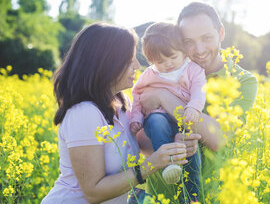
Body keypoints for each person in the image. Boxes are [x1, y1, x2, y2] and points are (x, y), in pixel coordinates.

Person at [41, 23, 192, 204]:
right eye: (129, 60)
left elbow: (138, 144)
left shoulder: (123, 104)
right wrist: (150, 165)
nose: (137, 65)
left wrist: (172, 145)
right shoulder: (84, 113)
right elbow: (93, 192)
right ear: (106, 63)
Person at [136, 2, 258, 201]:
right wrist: (171, 144)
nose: (199, 49)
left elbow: (218, 137)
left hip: (209, 195)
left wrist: (163, 97)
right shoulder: (162, 71)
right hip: (161, 194)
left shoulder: (243, 81)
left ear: (221, 33)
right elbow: (140, 141)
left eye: (207, 38)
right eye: (189, 41)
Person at [129, 22, 206, 201]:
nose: (168, 64)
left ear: (183, 51)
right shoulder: (150, 74)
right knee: (156, 121)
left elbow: (199, 91)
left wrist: (194, 107)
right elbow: (137, 95)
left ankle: (192, 196)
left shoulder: (193, 69)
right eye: (160, 62)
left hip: (183, 120)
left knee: (189, 151)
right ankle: (169, 163)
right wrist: (137, 118)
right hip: (159, 117)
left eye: (172, 57)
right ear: (151, 61)